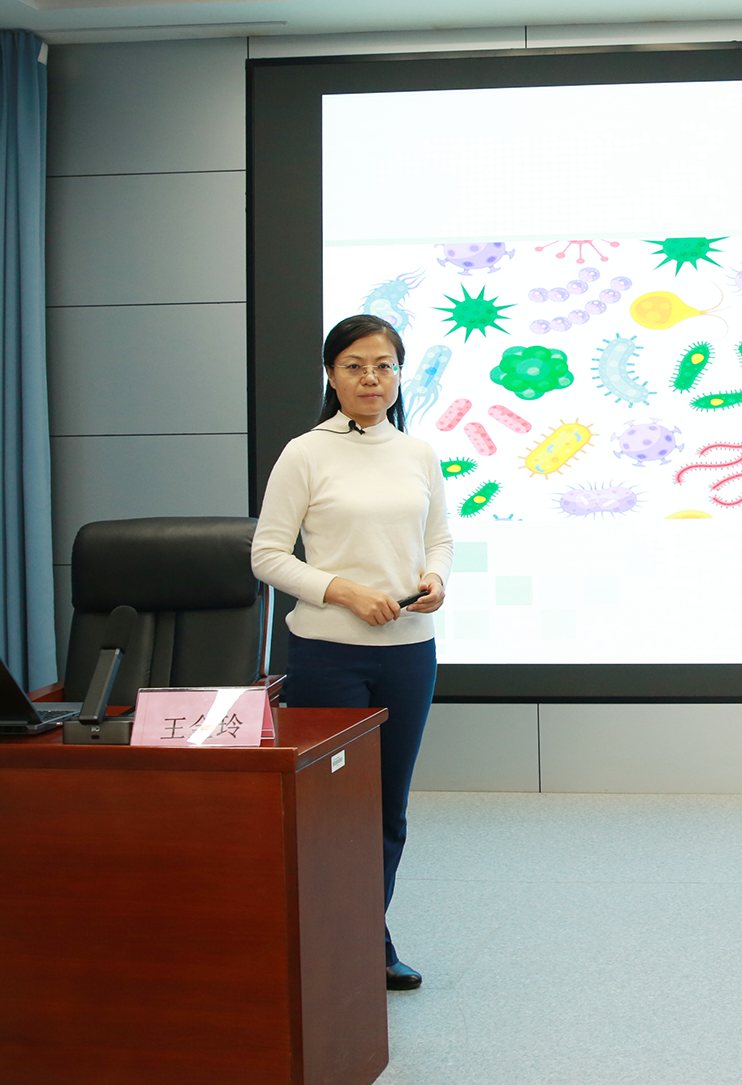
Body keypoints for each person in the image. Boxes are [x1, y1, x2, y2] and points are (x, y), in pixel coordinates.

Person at [251, 313, 453, 992]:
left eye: (384, 366)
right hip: (328, 654)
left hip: (408, 653)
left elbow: (438, 539)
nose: (371, 378)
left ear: (399, 374)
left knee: (387, 809)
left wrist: (435, 580)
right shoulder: (306, 453)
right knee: (332, 810)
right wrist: (342, 590)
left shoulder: (418, 454)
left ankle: (369, 938)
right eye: (355, 366)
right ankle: (323, 941)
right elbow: (267, 556)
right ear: (331, 376)